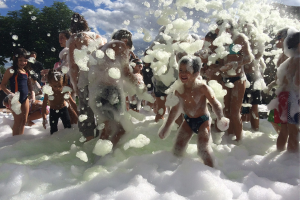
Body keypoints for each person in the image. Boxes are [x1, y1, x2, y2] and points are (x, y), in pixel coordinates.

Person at [158, 56, 229, 167]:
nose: (183, 73)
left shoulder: (202, 88)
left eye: (187, 71)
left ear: (196, 73)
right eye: (181, 70)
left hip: (203, 121)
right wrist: (166, 128)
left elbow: (214, 103)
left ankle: (213, 172)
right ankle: (178, 172)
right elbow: (175, 111)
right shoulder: (179, 90)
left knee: (203, 149)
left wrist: (221, 118)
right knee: (177, 148)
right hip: (188, 121)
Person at [88, 29, 151, 146]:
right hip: (110, 91)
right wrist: (139, 86)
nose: (128, 52)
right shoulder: (121, 45)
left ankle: (102, 156)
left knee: (107, 128)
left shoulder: (102, 48)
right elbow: (126, 72)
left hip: (96, 92)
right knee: (120, 129)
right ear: (126, 41)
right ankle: (106, 157)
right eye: (129, 48)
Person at [68, 12, 106, 141]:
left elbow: (73, 66)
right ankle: (104, 143)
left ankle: (89, 144)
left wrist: (75, 85)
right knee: (102, 112)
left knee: (86, 114)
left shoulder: (74, 39)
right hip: (101, 80)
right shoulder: (100, 38)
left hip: (86, 80)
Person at [215, 19, 253, 141]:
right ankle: (229, 138)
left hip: (238, 79)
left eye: (222, 28)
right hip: (225, 78)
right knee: (226, 111)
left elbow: (249, 58)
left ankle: (239, 140)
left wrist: (236, 63)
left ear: (229, 27)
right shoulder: (221, 41)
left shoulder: (239, 38)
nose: (220, 31)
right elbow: (220, 61)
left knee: (235, 112)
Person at [273, 30, 300, 152]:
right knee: (293, 131)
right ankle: (291, 160)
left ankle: (280, 156)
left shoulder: (289, 60)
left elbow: (282, 80)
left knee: (284, 130)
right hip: (294, 98)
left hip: (283, 96)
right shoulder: (299, 59)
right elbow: (298, 82)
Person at [0, 48, 33, 136]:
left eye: (25, 60)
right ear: (15, 59)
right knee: (18, 121)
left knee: (24, 121)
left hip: (25, 98)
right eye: (20, 60)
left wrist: (32, 95)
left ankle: (19, 140)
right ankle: (13, 141)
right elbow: (2, 85)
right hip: (15, 99)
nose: (23, 63)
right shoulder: (11, 70)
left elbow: (29, 85)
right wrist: (10, 94)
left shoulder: (26, 71)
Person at [241, 22, 266, 131]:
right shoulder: (255, 42)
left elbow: (257, 56)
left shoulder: (251, 42)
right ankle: (249, 131)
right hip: (252, 75)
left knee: (252, 105)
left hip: (252, 75)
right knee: (244, 105)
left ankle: (253, 130)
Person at [265, 28, 289, 133]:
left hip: (289, 92)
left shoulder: (292, 54)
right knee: (274, 120)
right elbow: (280, 76)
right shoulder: (282, 54)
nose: (277, 40)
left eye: (279, 38)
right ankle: (285, 141)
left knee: (284, 122)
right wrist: (271, 84)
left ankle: (288, 142)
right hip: (281, 91)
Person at [42, 69, 76, 134]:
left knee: (68, 127)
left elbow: (72, 103)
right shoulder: (48, 91)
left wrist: (78, 114)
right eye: (55, 86)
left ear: (62, 83)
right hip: (53, 111)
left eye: (59, 86)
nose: (57, 88)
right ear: (50, 83)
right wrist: (44, 118)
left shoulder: (64, 90)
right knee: (53, 130)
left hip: (63, 109)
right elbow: (44, 105)